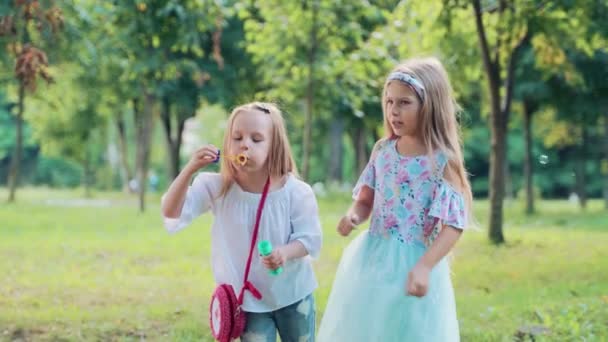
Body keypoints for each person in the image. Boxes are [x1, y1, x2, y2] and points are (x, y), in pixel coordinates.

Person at [317, 57, 474, 342]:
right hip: (374, 257)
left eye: (404, 103)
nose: (394, 111)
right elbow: (366, 199)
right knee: (370, 327)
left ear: (429, 106)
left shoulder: (441, 161)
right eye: (389, 102)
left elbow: (454, 225)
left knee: (408, 329)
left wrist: (425, 266)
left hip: (415, 261)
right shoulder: (383, 151)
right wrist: (353, 216)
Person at [161, 102, 322, 342]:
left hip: (293, 294)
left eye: (256, 139)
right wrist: (190, 169)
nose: (245, 144)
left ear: (274, 146)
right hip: (249, 301)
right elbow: (171, 211)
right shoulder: (216, 187)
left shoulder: (296, 192)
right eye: (237, 137)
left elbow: (309, 239)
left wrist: (285, 252)